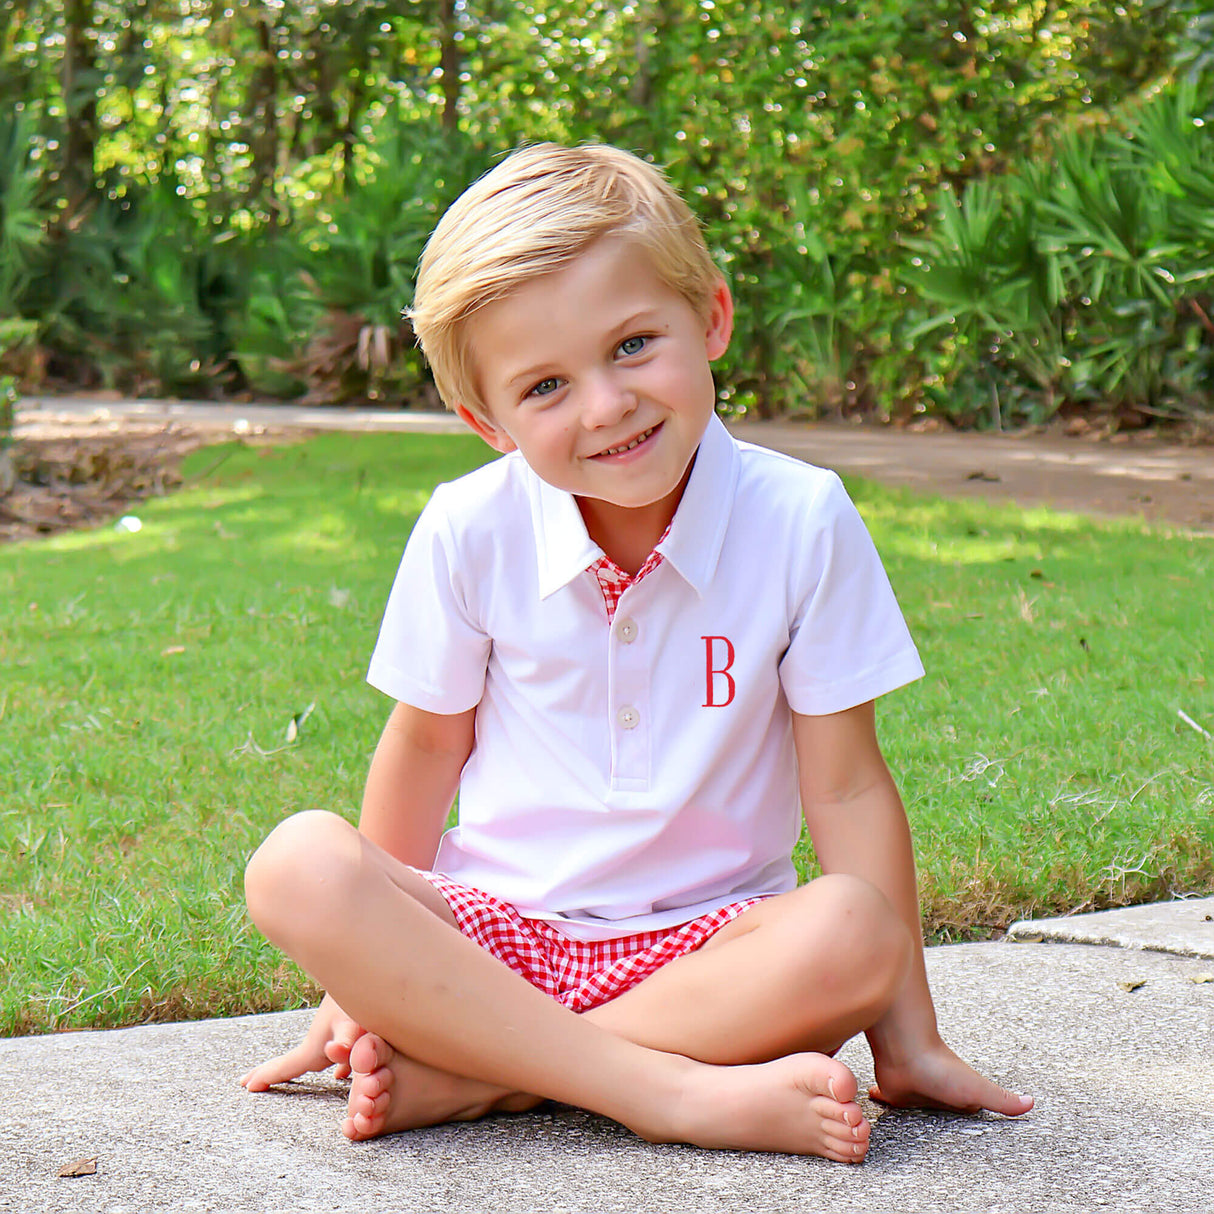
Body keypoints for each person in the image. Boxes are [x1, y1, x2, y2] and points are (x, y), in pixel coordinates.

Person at [239, 142, 1033, 1161]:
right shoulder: (467, 527)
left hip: (710, 949)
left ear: (711, 317)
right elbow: (427, 746)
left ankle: (486, 1078)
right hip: (495, 935)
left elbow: (844, 787)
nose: (605, 405)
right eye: (544, 386)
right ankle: (669, 1092)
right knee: (297, 863)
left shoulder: (801, 519)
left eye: (632, 345)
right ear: (486, 421)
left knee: (855, 929)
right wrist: (356, 986)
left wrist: (907, 1037)